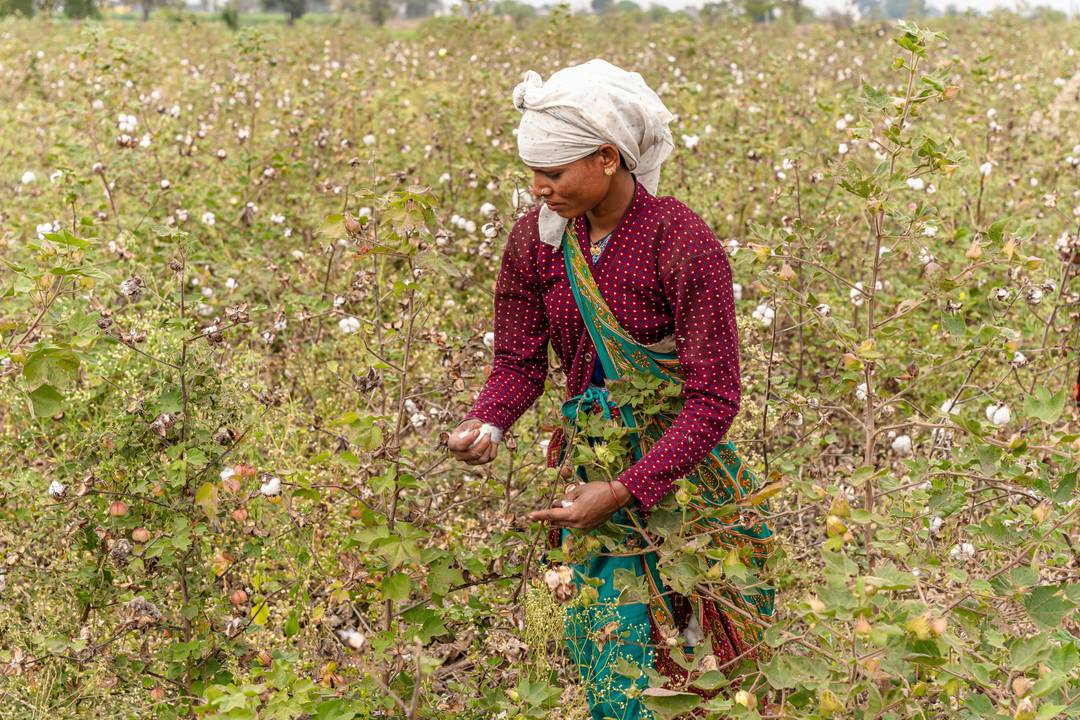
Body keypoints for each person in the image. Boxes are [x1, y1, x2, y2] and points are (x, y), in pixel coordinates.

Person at [446, 59, 777, 720]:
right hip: (589, 474)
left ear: (606, 158)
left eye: (555, 172)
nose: (539, 188)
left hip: (686, 486)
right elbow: (518, 362)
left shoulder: (681, 243)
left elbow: (714, 398)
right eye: (531, 172)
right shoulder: (535, 244)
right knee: (616, 656)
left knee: (694, 644)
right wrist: (488, 422)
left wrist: (627, 490)